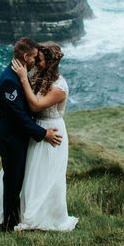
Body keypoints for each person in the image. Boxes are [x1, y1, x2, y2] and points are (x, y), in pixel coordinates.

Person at [0, 38, 62, 231]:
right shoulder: (9, 81)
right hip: (11, 140)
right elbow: (18, 117)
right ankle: (9, 225)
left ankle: (14, 219)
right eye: (33, 57)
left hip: (17, 138)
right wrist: (43, 134)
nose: (34, 61)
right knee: (13, 183)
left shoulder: (17, 76)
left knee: (17, 180)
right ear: (25, 57)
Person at [9, 41, 78, 231]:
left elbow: (36, 106)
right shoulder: (38, 75)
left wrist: (23, 79)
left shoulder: (59, 86)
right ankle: (23, 210)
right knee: (32, 172)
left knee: (47, 175)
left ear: (49, 62)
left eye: (39, 60)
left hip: (52, 132)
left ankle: (44, 215)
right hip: (37, 130)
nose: (36, 63)